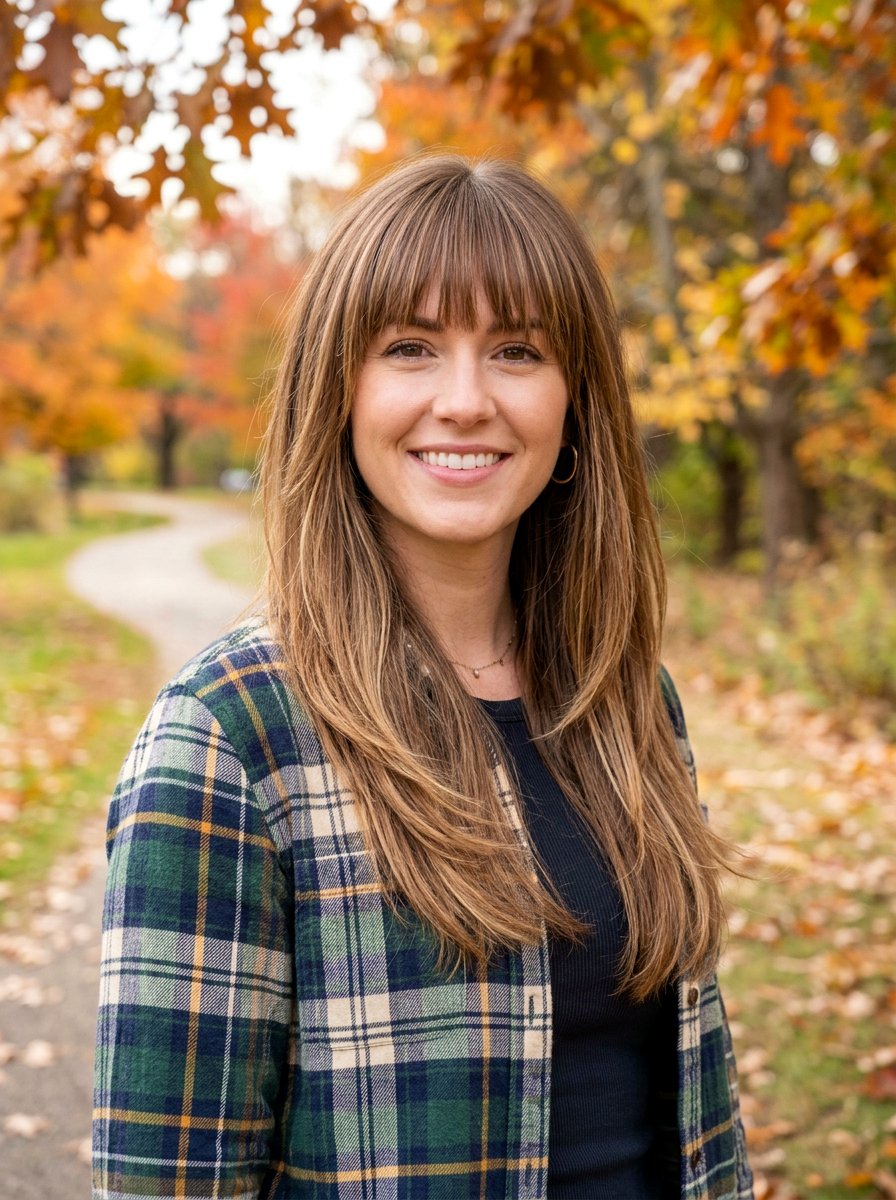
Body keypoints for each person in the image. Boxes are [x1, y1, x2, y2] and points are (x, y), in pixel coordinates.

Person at [93, 155, 753, 1200]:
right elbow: (165, 1182)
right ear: (336, 390)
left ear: (573, 400)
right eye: (408, 348)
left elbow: (693, 1112)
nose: (463, 400)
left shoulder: (627, 703)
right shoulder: (228, 735)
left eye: (515, 351)